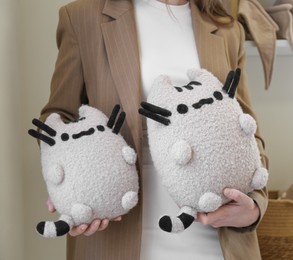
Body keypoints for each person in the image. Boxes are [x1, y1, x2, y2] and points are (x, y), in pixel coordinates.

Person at [40, 0, 269, 259]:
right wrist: (64, 180)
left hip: (217, 240)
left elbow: (248, 129)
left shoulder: (227, 30)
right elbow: (59, 117)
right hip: (118, 239)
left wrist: (254, 208)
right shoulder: (81, 18)